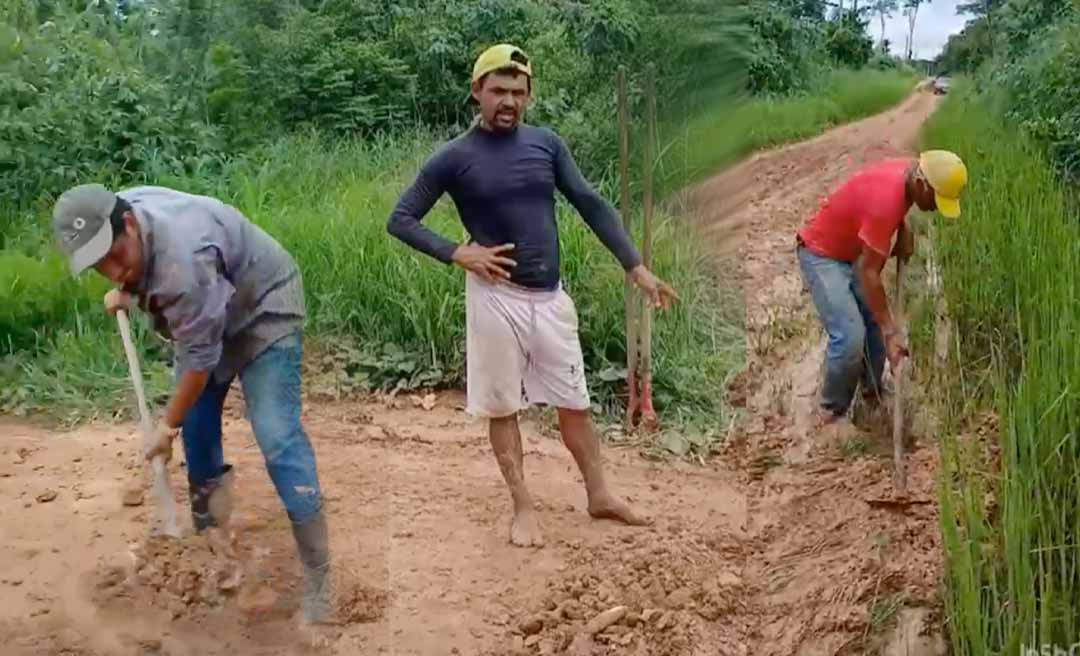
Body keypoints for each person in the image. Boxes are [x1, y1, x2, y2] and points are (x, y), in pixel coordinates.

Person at [386, 44, 678, 548]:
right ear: (477, 91)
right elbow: (401, 219)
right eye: (498, 90)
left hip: (549, 298)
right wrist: (458, 252)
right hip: (495, 298)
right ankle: (522, 506)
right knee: (503, 407)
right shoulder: (453, 158)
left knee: (575, 401)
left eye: (519, 92)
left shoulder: (546, 144)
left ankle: (600, 495)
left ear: (529, 96)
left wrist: (635, 265)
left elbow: (589, 202)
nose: (509, 101)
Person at [51, 183, 333, 624]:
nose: (111, 270)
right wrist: (130, 290)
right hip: (210, 305)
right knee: (198, 433)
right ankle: (212, 551)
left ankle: (320, 578)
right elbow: (179, 319)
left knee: (276, 433)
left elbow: (199, 360)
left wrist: (166, 427)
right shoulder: (117, 211)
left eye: (115, 256)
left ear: (129, 225)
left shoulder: (183, 260)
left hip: (263, 306)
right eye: (98, 264)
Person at [795, 150, 968, 424]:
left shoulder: (911, 172)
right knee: (850, 337)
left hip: (850, 249)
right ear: (922, 184)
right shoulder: (885, 203)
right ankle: (831, 412)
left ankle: (872, 393)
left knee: (873, 325)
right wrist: (891, 331)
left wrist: (903, 229)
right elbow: (869, 273)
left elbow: (887, 202)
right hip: (821, 254)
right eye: (936, 200)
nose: (936, 207)